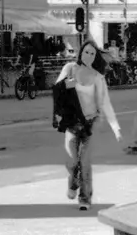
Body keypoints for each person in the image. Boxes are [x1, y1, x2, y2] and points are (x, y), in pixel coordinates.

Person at [53, 41, 123, 210]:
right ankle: (73, 182)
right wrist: (66, 85)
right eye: (86, 52)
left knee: (85, 163)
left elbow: (105, 103)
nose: (89, 56)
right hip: (71, 123)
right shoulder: (70, 68)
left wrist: (116, 128)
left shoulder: (98, 77)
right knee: (71, 161)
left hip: (89, 125)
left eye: (92, 54)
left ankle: (85, 198)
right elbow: (57, 91)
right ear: (80, 52)